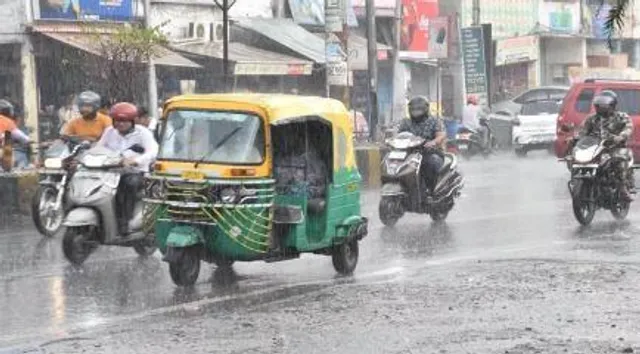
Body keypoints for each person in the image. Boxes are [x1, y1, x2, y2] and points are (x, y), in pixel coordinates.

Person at [97, 102, 159, 235]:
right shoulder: (109, 132)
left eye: (124, 121)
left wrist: (136, 161)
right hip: (111, 172)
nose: (120, 124)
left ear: (132, 121)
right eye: (117, 120)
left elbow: (153, 151)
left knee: (127, 184)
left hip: (137, 173)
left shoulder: (143, 133)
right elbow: (99, 148)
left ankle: (124, 222)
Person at [576, 90, 634, 201]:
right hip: (596, 148)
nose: (601, 108)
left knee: (621, 160)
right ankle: (579, 183)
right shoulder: (591, 119)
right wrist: (575, 138)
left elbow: (628, 128)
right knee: (577, 158)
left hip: (615, 147)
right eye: (599, 105)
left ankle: (622, 188)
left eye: (605, 105)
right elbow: (582, 131)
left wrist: (620, 137)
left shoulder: (621, 117)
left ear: (612, 105)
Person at [398, 96, 446, 194]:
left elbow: (440, 135)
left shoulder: (434, 121)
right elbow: (399, 135)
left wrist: (433, 142)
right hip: (409, 153)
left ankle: (431, 189)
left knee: (432, 163)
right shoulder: (405, 122)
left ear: (425, 109)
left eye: (418, 110)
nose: (416, 112)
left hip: (428, 152)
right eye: (413, 110)